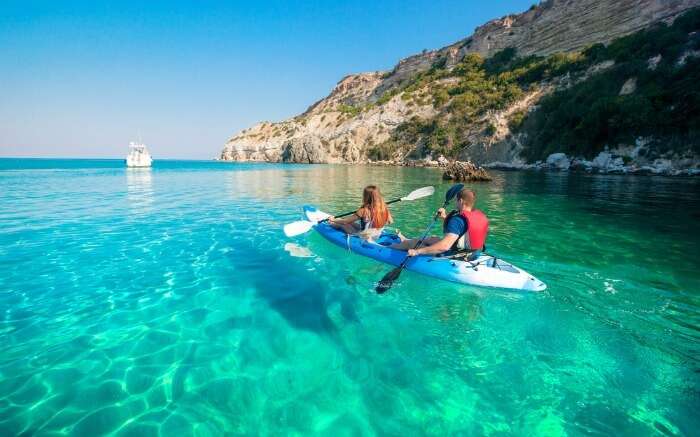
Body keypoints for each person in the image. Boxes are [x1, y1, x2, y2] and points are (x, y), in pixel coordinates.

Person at [392, 188, 488, 259]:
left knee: (412, 244)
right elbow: (463, 230)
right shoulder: (478, 215)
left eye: (456, 200)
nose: (455, 202)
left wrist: (417, 251)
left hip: (457, 256)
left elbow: (444, 247)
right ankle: (405, 241)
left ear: (461, 201)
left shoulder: (457, 220)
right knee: (433, 238)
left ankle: (387, 248)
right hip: (474, 254)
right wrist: (445, 217)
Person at [328, 185, 393, 237]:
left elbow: (345, 222)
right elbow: (390, 221)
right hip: (377, 234)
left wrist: (333, 219)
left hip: (364, 236)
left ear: (366, 197)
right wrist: (376, 223)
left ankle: (329, 224)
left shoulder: (363, 210)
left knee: (342, 224)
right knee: (350, 221)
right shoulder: (384, 207)